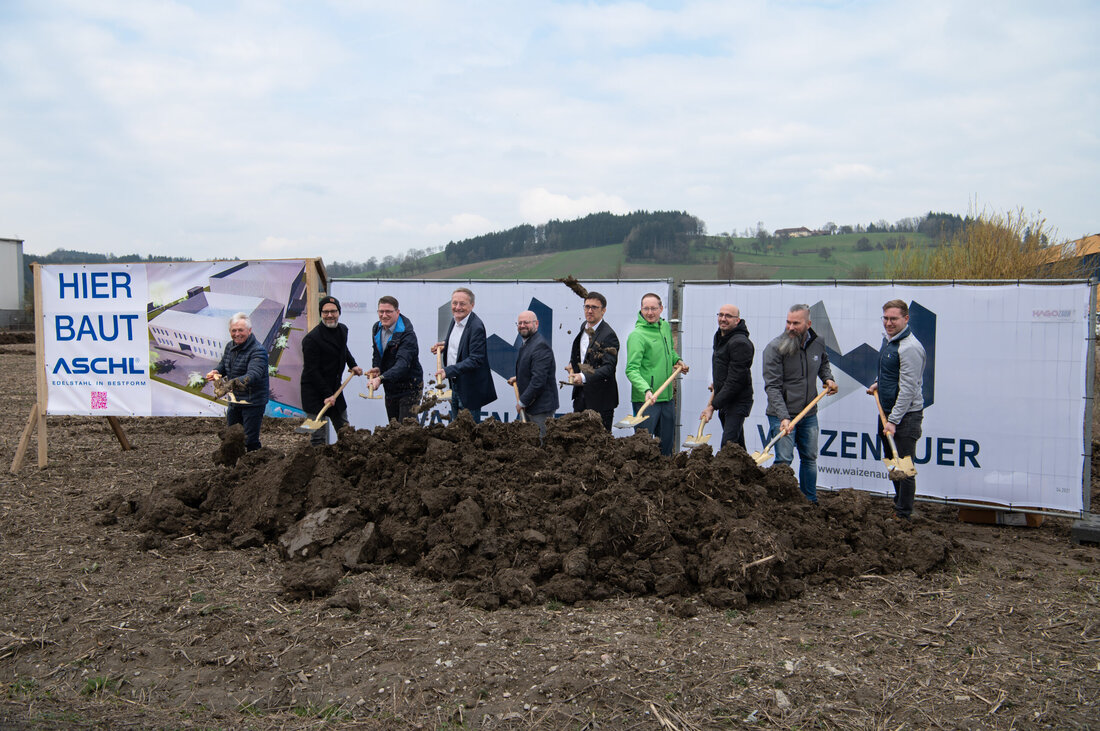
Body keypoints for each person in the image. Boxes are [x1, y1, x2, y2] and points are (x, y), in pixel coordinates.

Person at [762, 304, 838, 503]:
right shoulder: (775, 348)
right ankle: (778, 505)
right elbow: (772, 387)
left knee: (809, 458)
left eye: (796, 323)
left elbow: (823, 363)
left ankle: (810, 501)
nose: (791, 327)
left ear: (808, 324)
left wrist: (828, 378)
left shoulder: (818, 342)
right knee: (784, 460)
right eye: (788, 322)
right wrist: (784, 417)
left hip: (809, 413)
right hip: (782, 414)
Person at [867, 299, 926, 520]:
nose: (888, 323)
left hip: (905, 417)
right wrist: (878, 383)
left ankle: (904, 514)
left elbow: (909, 388)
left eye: (894, 319)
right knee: (892, 463)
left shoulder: (910, 348)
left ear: (906, 319)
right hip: (887, 414)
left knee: (905, 466)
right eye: (885, 318)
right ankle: (898, 504)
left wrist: (893, 420)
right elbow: (890, 372)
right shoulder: (888, 341)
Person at [625, 292, 689, 456]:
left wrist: (678, 360)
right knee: (644, 447)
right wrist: (646, 390)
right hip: (647, 400)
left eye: (653, 308)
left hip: (667, 398)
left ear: (661, 309)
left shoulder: (665, 327)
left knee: (666, 446)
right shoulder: (637, 336)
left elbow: (669, 352)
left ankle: (667, 470)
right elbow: (631, 370)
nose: (650, 313)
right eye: (646, 309)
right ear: (641, 309)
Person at [300, 296, 363, 445]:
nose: (330, 315)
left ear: (339, 312)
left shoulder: (342, 330)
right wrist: (327, 394)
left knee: (345, 431)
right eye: (325, 312)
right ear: (321, 314)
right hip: (314, 391)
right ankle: (317, 458)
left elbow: (343, 349)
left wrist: (352, 364)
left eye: (333, 311)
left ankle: (348, 457)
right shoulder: (311, 339)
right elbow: (311, 371)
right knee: (318, 437)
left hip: (335, 388)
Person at [205, 313, 270, 452]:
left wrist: (229, 384)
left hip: (253, 402)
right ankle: (234, 463)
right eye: (234, 330)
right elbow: (224, 364)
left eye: (241, 330)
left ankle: (254, 462)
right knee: (232, 437)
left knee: (250, 440)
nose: (237, 334)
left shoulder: (258, 351)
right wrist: (217, 371)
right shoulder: (230, 346)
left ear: (249, 330)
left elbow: (253, 375)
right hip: (235, 401)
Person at [431, 287, 497, 422]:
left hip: (470, 389)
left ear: (472, 305)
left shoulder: (476, 327)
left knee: (469, 430)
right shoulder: (455, 320)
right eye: (454, 303)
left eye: (462, 304)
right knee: (456, 426)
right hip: (455, 383)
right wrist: (445, 345)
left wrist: (447, 371)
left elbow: (476, 359)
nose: (457, 307)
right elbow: (461, 343)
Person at [702, 304, 753, 449]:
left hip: (737, 402)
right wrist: (717, 383)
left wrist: (712, 406)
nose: (723, 319)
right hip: (725, 399)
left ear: (737, 320)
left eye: (728, 316)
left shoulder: (740, 343)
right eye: (721, 315)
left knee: (728, 446)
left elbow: (735, 381)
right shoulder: (720, 336)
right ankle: (745, 463)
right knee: (736, 445)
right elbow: (722, 366)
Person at [567, 291, 619, 431]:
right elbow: (585, 355)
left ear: (603, 310)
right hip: (580, 397)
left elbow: (608, 368)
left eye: (594, 307)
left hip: (600, 401)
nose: (590, 311)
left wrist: (583, 377)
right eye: (587, 306)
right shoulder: (584, 326)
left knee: (599, 441)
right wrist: (573, 365)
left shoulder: (609, 335)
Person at [366, 296, 423, 423]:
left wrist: (381, 378)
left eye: (388, 312)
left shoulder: (407, 334)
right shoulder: (376, 328)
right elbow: (377, 353)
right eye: (381, 311)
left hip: (410, 387)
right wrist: (377, 368)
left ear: (397, 312)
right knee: (394, 426)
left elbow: (402, 364)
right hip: (390, 386)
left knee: (407, 428)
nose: (384, 315)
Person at [508, 310, 558, 440]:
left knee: (540, 444)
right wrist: (519, 378)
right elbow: (533, 370)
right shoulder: (528, 343)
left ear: (536, 324)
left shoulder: (540, 346)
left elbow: (538, 381)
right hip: (531, 406)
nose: (522, 326)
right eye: (520, 323)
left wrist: (522, 402)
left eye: (526, 322)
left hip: (540, 409)